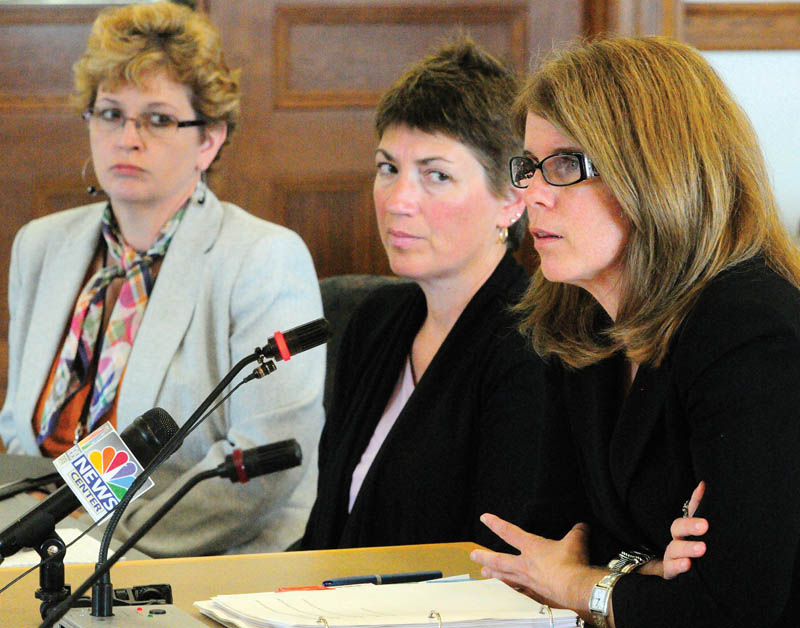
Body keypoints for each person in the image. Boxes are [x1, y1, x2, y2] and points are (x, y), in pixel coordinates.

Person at [471, 35, 800, 628]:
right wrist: (640, 575)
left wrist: (587, 585)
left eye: (566, 165)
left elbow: (732, 610)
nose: (532, 195)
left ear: (657, 174)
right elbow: (551, 544)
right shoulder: (581, 317)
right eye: (528, 167)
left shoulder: (752, 333)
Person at [0, 2, 324, 557]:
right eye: (109, 113)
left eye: (157, 118)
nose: (128, 137)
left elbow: (264, 465)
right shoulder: (41, 245)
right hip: (37, 543)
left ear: (210, 139)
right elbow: (18, 434)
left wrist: (91, 541)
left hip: (189, 561)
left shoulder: (263, 257)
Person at [297, 38, 589, 551]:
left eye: (436, 175)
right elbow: (326, 532)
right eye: (388, 168)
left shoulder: (532, 345)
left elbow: (496, 560)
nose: (398, 201)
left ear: (510, 200)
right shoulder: (374, 320)